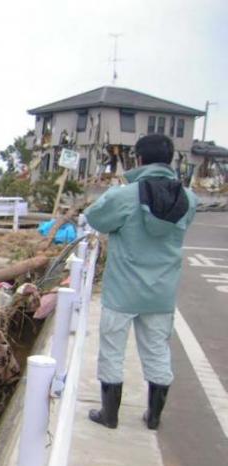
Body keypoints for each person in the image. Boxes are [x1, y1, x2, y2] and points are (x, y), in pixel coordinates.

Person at [84, 133, 198, 430]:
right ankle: (154, 416)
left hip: (122, 291)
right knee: (158, 351)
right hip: (161, 293)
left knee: (112, 351)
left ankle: (109, 415)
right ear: (170, 159)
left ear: (138, 159)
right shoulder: (189, 198)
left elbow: (96, 218)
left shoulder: (124, 195)